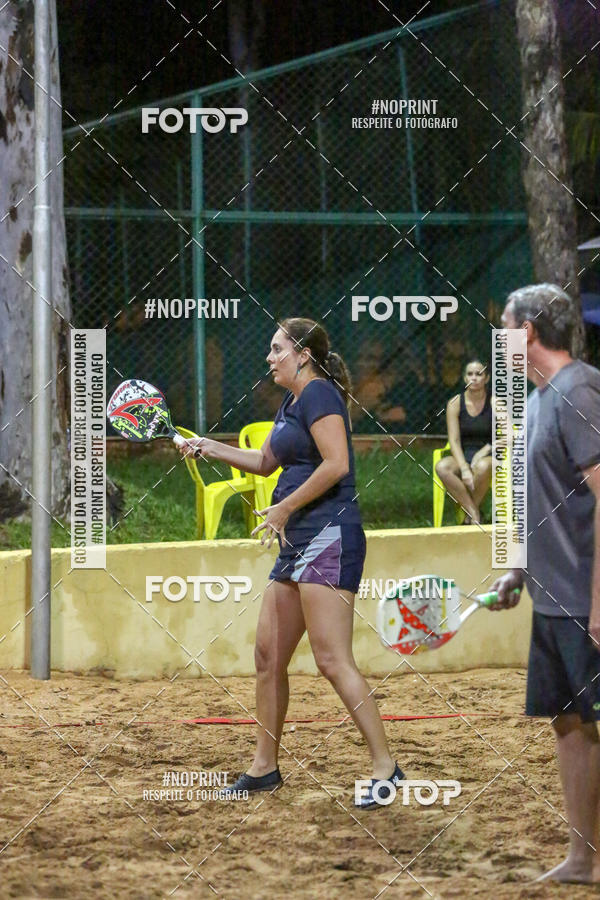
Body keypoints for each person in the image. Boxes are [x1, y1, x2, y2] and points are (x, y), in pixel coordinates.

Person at [179, 317, 403, 809]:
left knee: (331, 659)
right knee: (267, 655)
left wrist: (283, 507)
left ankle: (387, 767)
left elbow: (338, 463)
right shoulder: (293, 400)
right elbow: (263, 463)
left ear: (302, 353)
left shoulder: (319, 393)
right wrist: (205, 445)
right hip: (299, 540)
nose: (269, 357)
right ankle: (264, 768)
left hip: (328, 534)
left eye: (276, 348)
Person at [491, 284, 600, 884]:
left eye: (503, 324)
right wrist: (515, 570)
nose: (498, 333)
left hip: (586, 597)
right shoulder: (535, 400)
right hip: (553, 596)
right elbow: (546, 502)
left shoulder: (578, 388)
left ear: (527, 331)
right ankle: (583, 860)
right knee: (569, 721)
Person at [434, 358, 492, 524]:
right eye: (470, 374)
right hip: (463, 453)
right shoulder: (454, 403)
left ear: (486, 378)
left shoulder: (495, 402)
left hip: (487, 455)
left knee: (483, 466)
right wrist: (464, 468)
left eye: (479, 374)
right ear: (465, 378)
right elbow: (454, 439)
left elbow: (509, 434)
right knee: (442, 467)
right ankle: (473, 512)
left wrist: (486, 450)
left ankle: (469, 517)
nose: (474, 378)